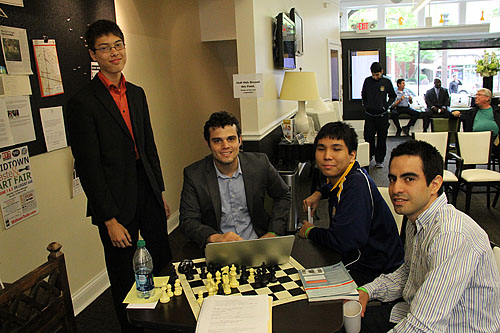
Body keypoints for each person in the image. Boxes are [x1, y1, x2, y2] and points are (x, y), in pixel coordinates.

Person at [67, 20, 172, 332]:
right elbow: (88, 166)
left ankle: (167, 322)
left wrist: (159, 192)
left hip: (146, 187)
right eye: (104, 47)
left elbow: (148, 146)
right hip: (113, 198)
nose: (114, 52)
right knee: (125, 274)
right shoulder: (82, 102)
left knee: (162, 261)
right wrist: (109, 219)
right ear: (92, 53)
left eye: (118, 45)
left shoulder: (137, 94)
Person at [358, 140, 500, 332]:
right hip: (415, 311)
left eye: (409, 179)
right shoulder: (415, 218)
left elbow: (423, 326)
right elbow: (409, 272)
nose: (395, 189)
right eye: (393, 178)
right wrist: (368, 290)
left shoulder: (451, 236)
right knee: (347, 322)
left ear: (434, 185)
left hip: (454, 326)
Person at [298, 122, 404, 285]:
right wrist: (320, 193)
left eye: (336, 149)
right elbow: (333, 186)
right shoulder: (347, 175)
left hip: (375, 268)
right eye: (321, 149)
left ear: (352, 155)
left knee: (307, 283)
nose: (327, 156)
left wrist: (310, 231)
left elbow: (343, 241)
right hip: (359, 256)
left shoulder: (356, 187)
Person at [179, 111, 291, 248]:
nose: (225, 146)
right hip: (219, 247)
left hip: (258, 242)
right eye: (217, 141)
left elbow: (283, 195)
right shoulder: (194, 175)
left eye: (231, 139)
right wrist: (215, 238)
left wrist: (274, 232)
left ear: (240, 140)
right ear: (208, 143)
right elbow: (188, 221)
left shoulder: (260, 164)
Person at [361, 62, 397, 168]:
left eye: (377, 74)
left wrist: (386, 105)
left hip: (382, 115)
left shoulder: (386, 82)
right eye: (373, 74)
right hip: (369, 114)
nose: (375, 77)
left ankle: (379, 160)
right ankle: (369, 155)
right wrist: (366, 105)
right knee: (368, 137)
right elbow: (363, 94)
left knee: (381, 138)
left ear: (382, 72)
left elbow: (392, 96)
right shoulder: (367, 81)